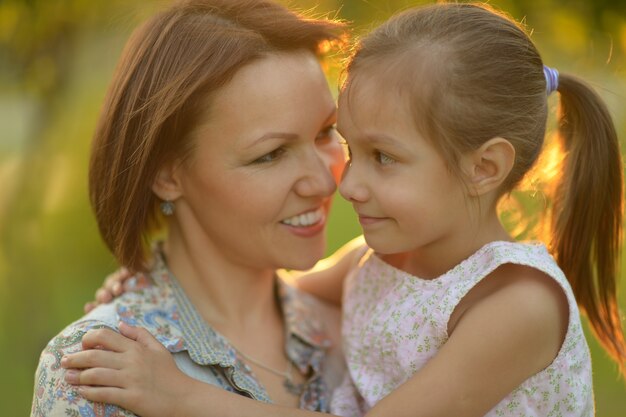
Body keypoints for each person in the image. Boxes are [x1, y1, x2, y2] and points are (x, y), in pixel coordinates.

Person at [61, 2, 626, 417]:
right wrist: (146, 290)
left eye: (383, 156)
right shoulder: (377, 263)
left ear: (484, 168)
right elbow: (265, 297)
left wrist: (180, 394)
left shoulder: (518, 304)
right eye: (351, 145)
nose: (346, 183)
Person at [30, 0, 360, 415]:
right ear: (166, 175)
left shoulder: (361, 330)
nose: (327, 180)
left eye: (326, 131)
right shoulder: (96, 370)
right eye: (271, 154)